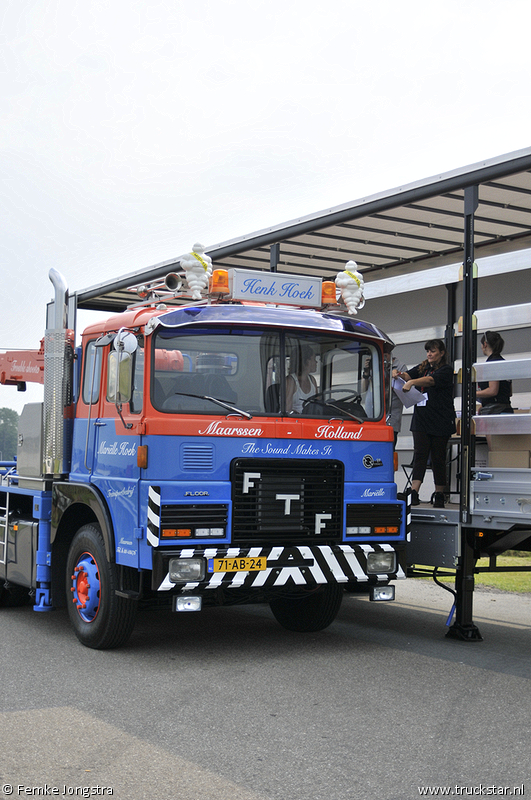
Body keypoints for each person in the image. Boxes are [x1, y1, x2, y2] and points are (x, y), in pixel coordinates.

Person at [398, 339, 456, 508]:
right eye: (428, 351)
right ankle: (414, 491)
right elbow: (409, 375)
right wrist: (400, 374)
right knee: (420, 455)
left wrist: (412, 382)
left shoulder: (446, 369)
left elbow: (430, 381)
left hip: (440, 419)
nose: (429, 354)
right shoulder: (424, 367)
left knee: (438, 457)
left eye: (433, 351)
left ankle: (439, 493)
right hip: (422, 418)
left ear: (442, 353)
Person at [476, 330, 513, 414]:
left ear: (485, 344)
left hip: (495, 411)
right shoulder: (504, 363)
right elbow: (509, 392)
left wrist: (473, 394)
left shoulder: (492, 364)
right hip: (506, 409)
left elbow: (493, 390)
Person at [286, 344, 318, 413]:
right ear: (307, 361)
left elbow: (318, 405)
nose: (316, 362)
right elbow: (286, 410)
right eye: (314, 359)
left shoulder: (312, 380)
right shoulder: (291, 381)